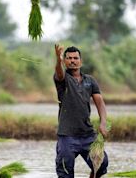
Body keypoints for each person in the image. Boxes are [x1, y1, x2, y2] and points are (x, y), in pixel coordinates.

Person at [54, 44, 108, 178]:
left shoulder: (90, 81)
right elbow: (59, 73)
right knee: (65, 172)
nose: (72, 60)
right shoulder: (63, 79)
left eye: (75, 58)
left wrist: (103, 123)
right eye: (69, 58)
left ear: (80, 61)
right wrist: (58, 59)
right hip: (67, 135)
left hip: (87, 135)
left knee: (101, 164)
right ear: (65, 61)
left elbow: (100, 103)